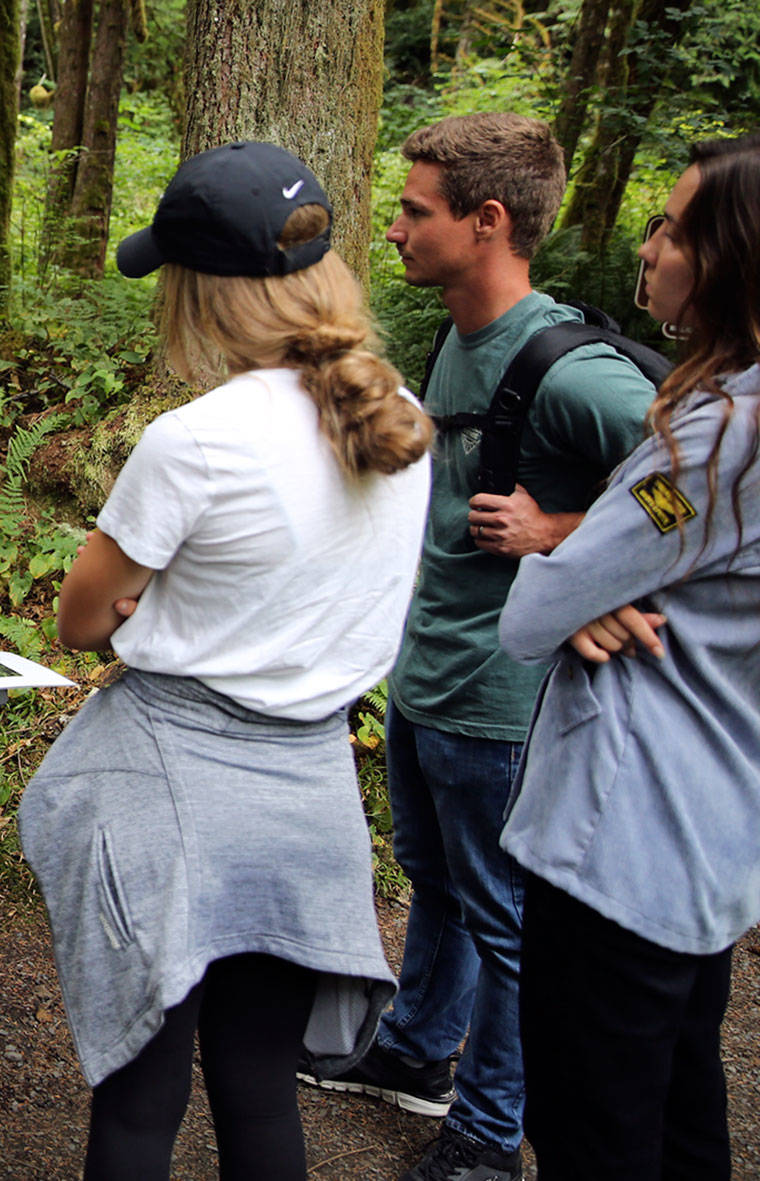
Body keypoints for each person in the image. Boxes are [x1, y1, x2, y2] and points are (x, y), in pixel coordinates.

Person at [21, 141, 432, 1178]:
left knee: (137, 1097)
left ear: (202, 292)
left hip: (170, 783)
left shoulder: (194, 440)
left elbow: (81, 616)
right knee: (257, 1091)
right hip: (306, 788)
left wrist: (152, 604)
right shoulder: (395, 421)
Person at [298, 113, 658, 1181]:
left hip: (504, 698)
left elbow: (707, 486)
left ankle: (489, 1133)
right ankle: (415, 1050)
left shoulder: (572, 369)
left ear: (485, 221)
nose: (396, 230)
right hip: (430, 674)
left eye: (413, 211)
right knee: (438, 882)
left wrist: (566, 535)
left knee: (504, 920)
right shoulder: (459, 330)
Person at [498, 132, 760, 1179]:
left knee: (595, 1134)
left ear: (731, 257)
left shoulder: (706, 446)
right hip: (709, 843)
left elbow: (534, 606)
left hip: (625, 844)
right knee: (681, 1121)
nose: (644, 248)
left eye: (668, 228)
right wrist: (591, 582)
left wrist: (568, 591)